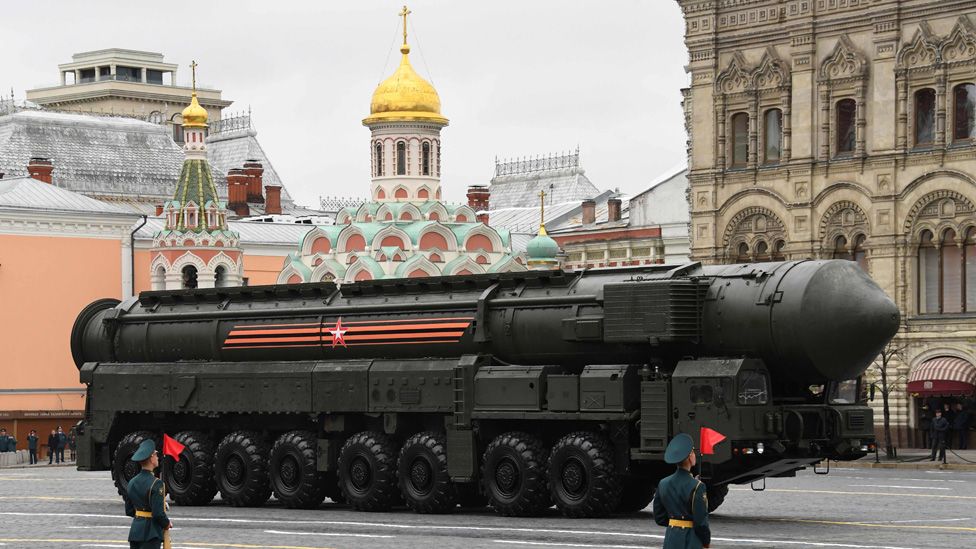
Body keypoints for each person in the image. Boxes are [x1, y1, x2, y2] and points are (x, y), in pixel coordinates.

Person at [652, 433, 711, 549]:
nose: (695, 455)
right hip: (690, 540)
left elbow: (659, 517)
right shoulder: (698, 486)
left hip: (671, 539)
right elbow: (701, 522)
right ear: (689, 456)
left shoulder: (663, 483)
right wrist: (706, 541)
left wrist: (675, 523)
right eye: (693, 452)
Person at [124, 439, 172, 549]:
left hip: (135, 532)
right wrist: (167, 523)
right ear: (151, 458)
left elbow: (129, 510)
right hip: (151, 534)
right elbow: (158, 513)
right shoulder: (157, 483)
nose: (157, 457)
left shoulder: (131, 482)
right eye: (156, 454)